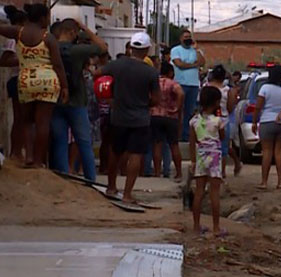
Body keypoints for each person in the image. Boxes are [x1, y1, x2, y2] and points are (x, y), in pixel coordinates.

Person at [0, 3, 68, 169]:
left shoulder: (18, 32)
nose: (48, 20)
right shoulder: (48, 38)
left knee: (25, 121)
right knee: (43, 123)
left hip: (26, 81)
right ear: (41, 18)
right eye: (47, 17)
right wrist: (65, 87)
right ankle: (39, 161)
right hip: (48, 81)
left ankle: (29, 157)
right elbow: (58, 65)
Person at [103, 32, 160, 205]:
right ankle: (127, 194)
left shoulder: (116, 65)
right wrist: (145, 104)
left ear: (130, 48)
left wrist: (109, 98)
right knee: (136, 154)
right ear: (147, 49)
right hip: (140, 118)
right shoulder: (150, 72)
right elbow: (156, 99)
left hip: (118, 116)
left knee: (115, 151)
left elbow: (99, 76)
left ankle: (111, 187)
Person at [50, 18, 108, 181]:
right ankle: (90, 179)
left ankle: (63, 178)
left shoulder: (50, 48)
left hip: (56, 99)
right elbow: (102, 47)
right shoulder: (77, 51)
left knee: (60, 141)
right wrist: (85, 27)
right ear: (72, 32)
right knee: (84, 142)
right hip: (77, 101)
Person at [252, 65, 281, 190]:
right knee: (279, 152)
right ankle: (280, 181)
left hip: (267, 121)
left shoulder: (265, 88)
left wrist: (255, 122)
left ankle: (264, 182)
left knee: (267, 152)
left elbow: (258, 107)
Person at [190, 86, 226, 237]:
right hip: (215, 156)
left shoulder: (194, 121)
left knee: (199, 191)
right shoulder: (218, 121)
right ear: (217, 102)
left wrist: (193, 161)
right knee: (214, 193)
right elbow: (222, 137)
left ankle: (196, 226)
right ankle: (216, 227)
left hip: (200, 156)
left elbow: (192, 142)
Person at [0, 6, 26, 163]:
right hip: (17, 80)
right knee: (20, 119)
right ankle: (15, 152)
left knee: (23, 119)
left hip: (23, 81)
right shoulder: (12, 40)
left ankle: (18, 151)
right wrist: (25, 59)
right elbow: (3, 61)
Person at [151, 63, 184, 181]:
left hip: (155, 115)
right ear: (171, 72)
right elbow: (180, 93)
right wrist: (177, 107)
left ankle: (157, 172)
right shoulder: (173, 84)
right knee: (174, 145)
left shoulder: (155, 83)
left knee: (157, 144)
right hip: (170, 116)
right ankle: (179, 173)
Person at [171, 31, 205, 141]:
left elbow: (202, 62)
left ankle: (186, 136)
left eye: (189, 37)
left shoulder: (195, 51)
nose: (188, 39)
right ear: (181, 38)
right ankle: (176, 135)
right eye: (185, 37)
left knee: (190, 111)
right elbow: (179, 64)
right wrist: (194, 65)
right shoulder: (176, 50)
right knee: (178, 110)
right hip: (180, 84)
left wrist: (196, 50)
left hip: (194, 85)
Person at [206, 65, 239, 177]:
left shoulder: (206, 87)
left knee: (207, 146)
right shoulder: (227, 90)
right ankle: (221, 172)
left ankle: (207, 170)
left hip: (207, 121)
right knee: (223, 149)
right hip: (223, 121)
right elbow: (230, 108)